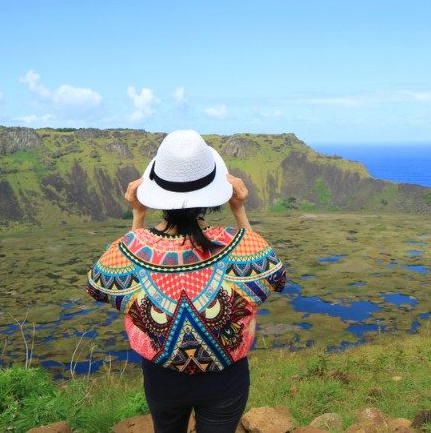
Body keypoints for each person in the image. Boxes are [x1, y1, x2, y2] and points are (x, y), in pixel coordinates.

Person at [86, 130, 286, 433]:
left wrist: (137, 216)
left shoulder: (129, 250)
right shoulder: (238, 245)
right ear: (214, 193)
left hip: (162, 378)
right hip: (226, 377)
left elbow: (100, 286)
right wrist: (239, 210)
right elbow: (272, 274)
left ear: (156, 193)